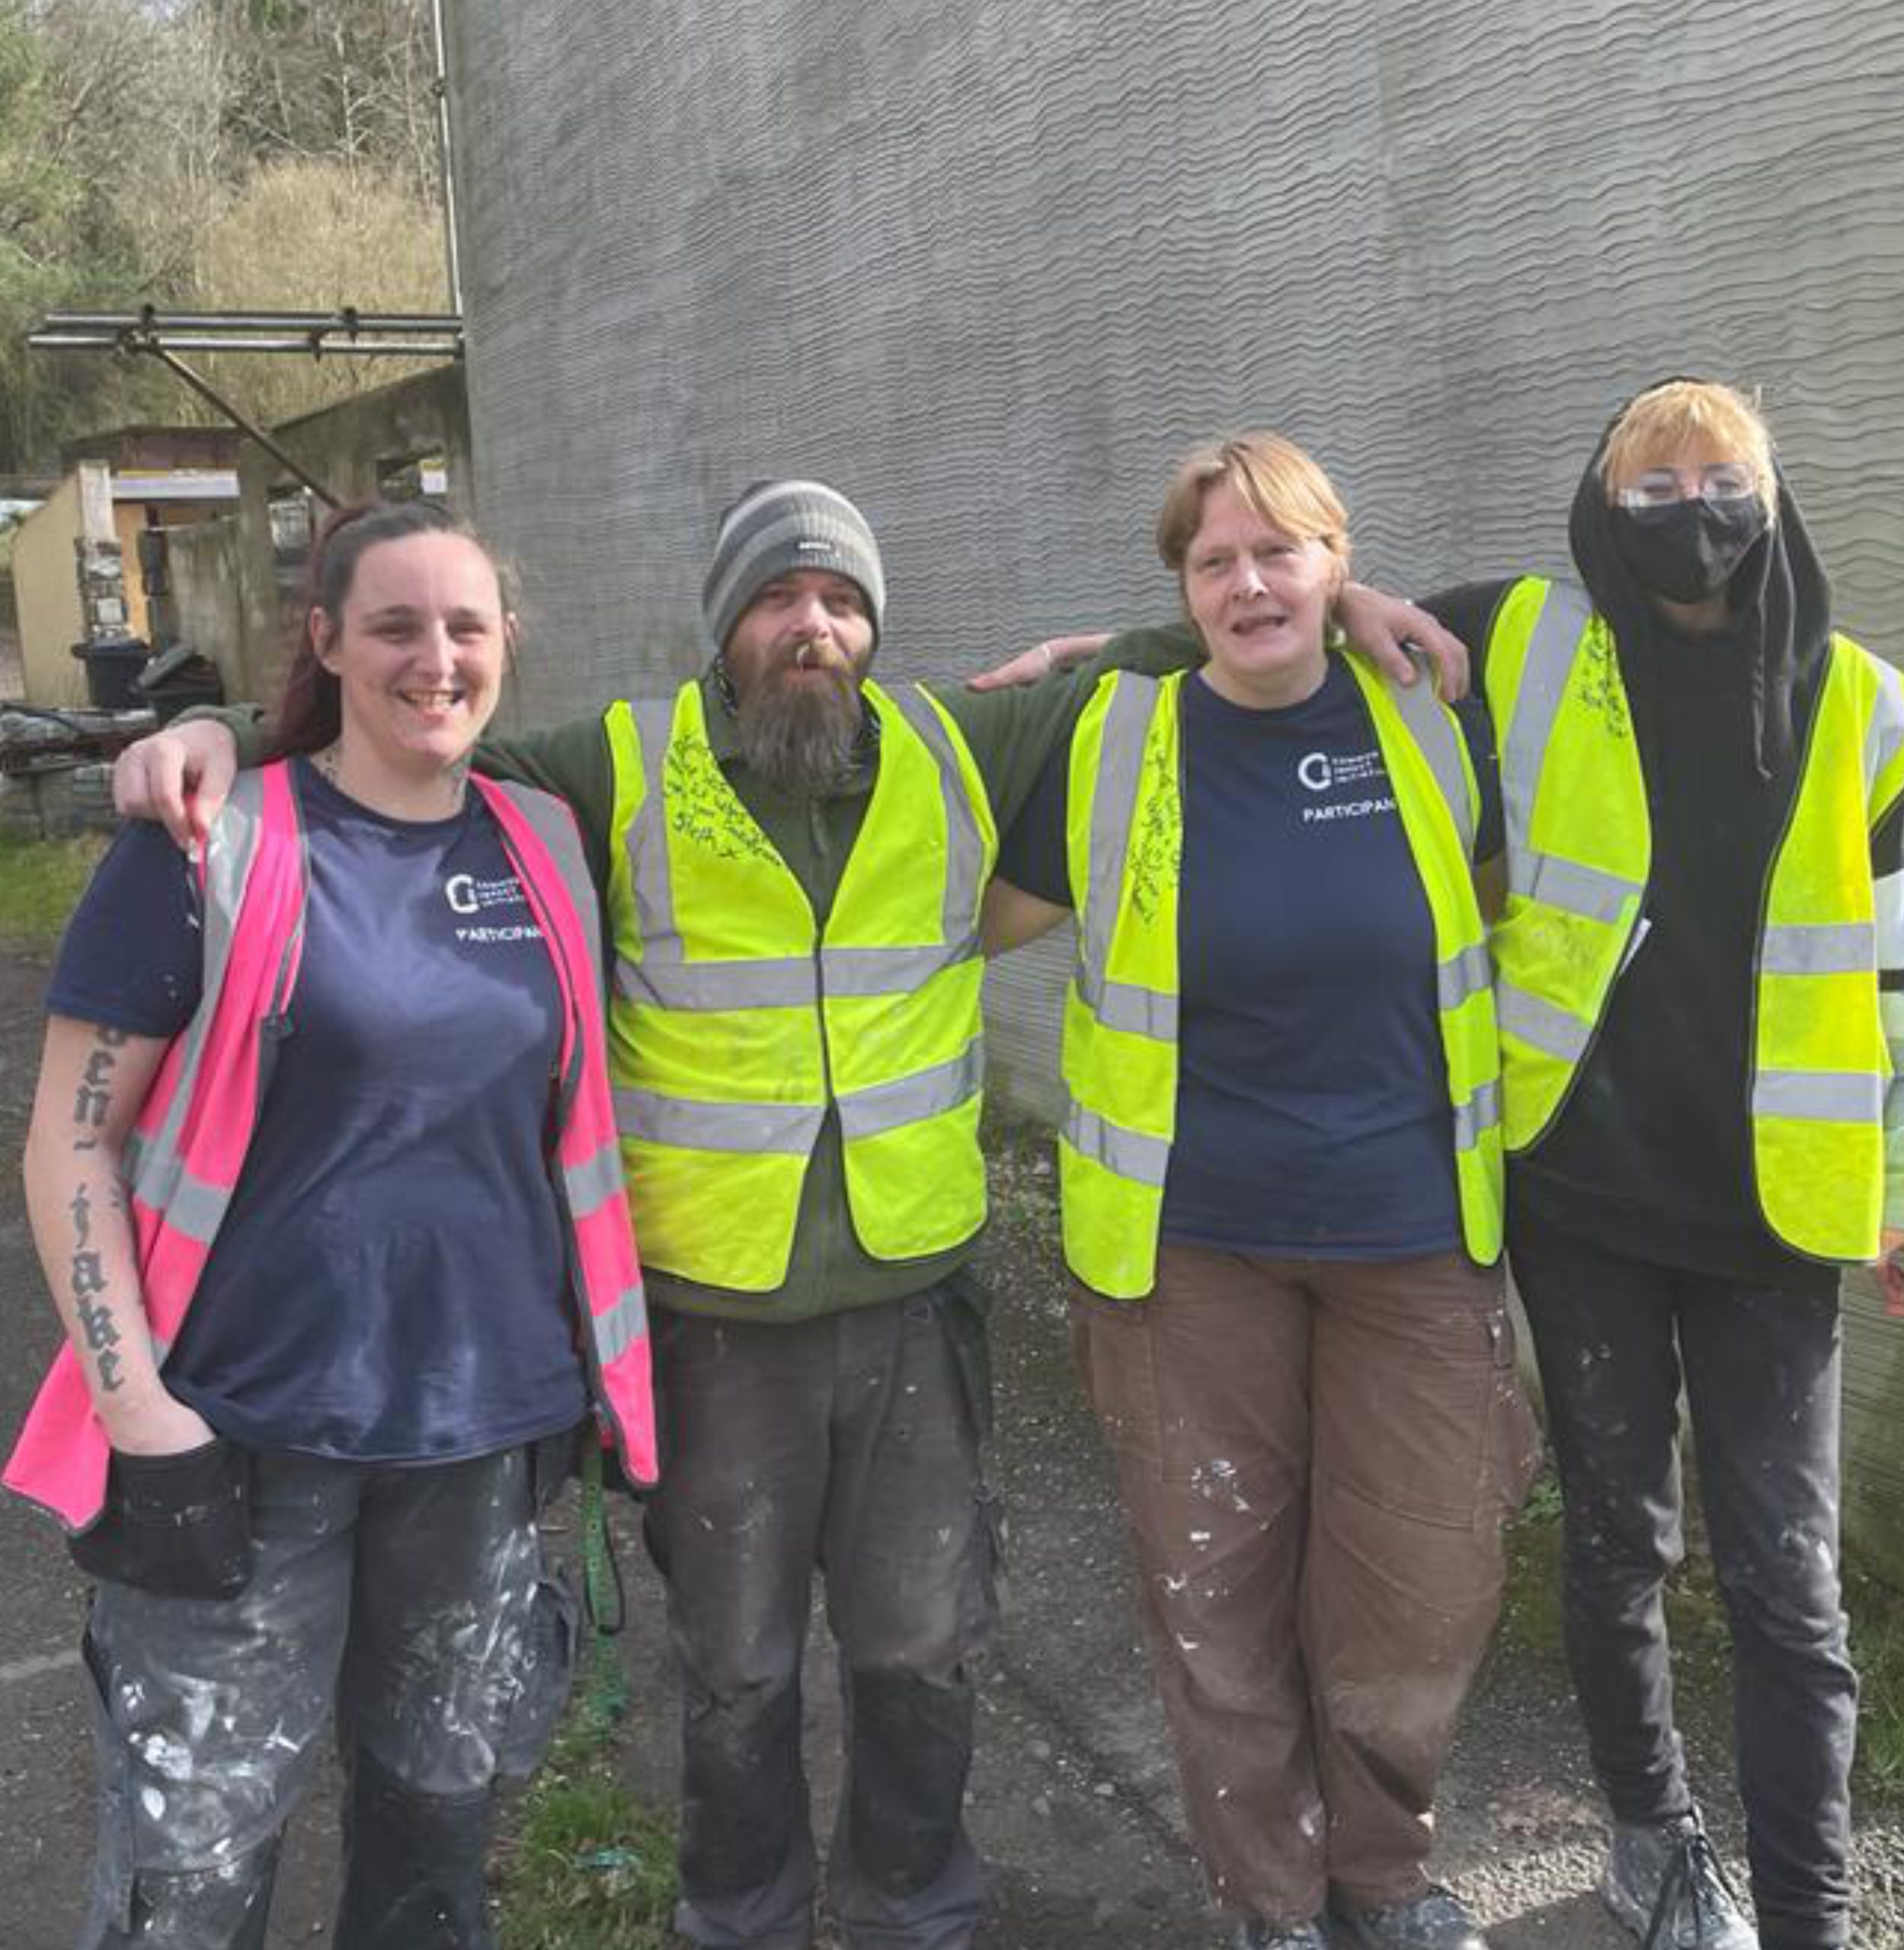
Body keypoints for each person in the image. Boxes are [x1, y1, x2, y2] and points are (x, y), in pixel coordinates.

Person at [108, 478, 1467, 1950]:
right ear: (725, 629)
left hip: (913, 1304)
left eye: (839, 601)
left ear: (874, 628)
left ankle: (912, 1914)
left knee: (924, 1651)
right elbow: (410, 725)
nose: (809, 625)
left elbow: (1188, 645)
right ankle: (738, 1917)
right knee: (738, 1667)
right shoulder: (616, 764)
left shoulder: (962, 742)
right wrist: (223, 730)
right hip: (717, 1320)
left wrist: (1344, 601)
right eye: (775, 598)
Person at [1002, 383, 1904, 1950]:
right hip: (1403, 1218)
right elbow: (1259, 641)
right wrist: (1094, 664)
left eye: (1721, 480)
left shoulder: (1792, 705)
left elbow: (1903, 971)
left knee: (1616, 1585)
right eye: (1651, 487)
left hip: (1620, 1218)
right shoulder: (1474, 658)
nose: (1690, 510)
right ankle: (1430, 1875)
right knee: (1431, 1564)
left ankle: (1672, 1897)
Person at [4, 498, 657, 1950]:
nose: (436, 660)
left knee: (435, 1837)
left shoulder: (548, 838)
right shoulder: (207, 840)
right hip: (242, 1441)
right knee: (194, 1869)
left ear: (506, 648)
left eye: (466, 628)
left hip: (480, 1441)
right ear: (325, 642)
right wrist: (139, 1416)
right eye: (395, 627)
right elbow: (72, 1139)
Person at [980, 433, 1537, 1950]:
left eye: (1279, 551)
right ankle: (1273, 1898)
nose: (1247, 583)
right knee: (1210, 1580)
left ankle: (1382, 1869)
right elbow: (959, 916)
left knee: (1416, 1578)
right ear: (1175, 587)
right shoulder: (1111, 739)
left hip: (1412, 1237)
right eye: (1210, 560)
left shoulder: (1428, 723)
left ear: (1339, 567)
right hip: (1188, 1249)